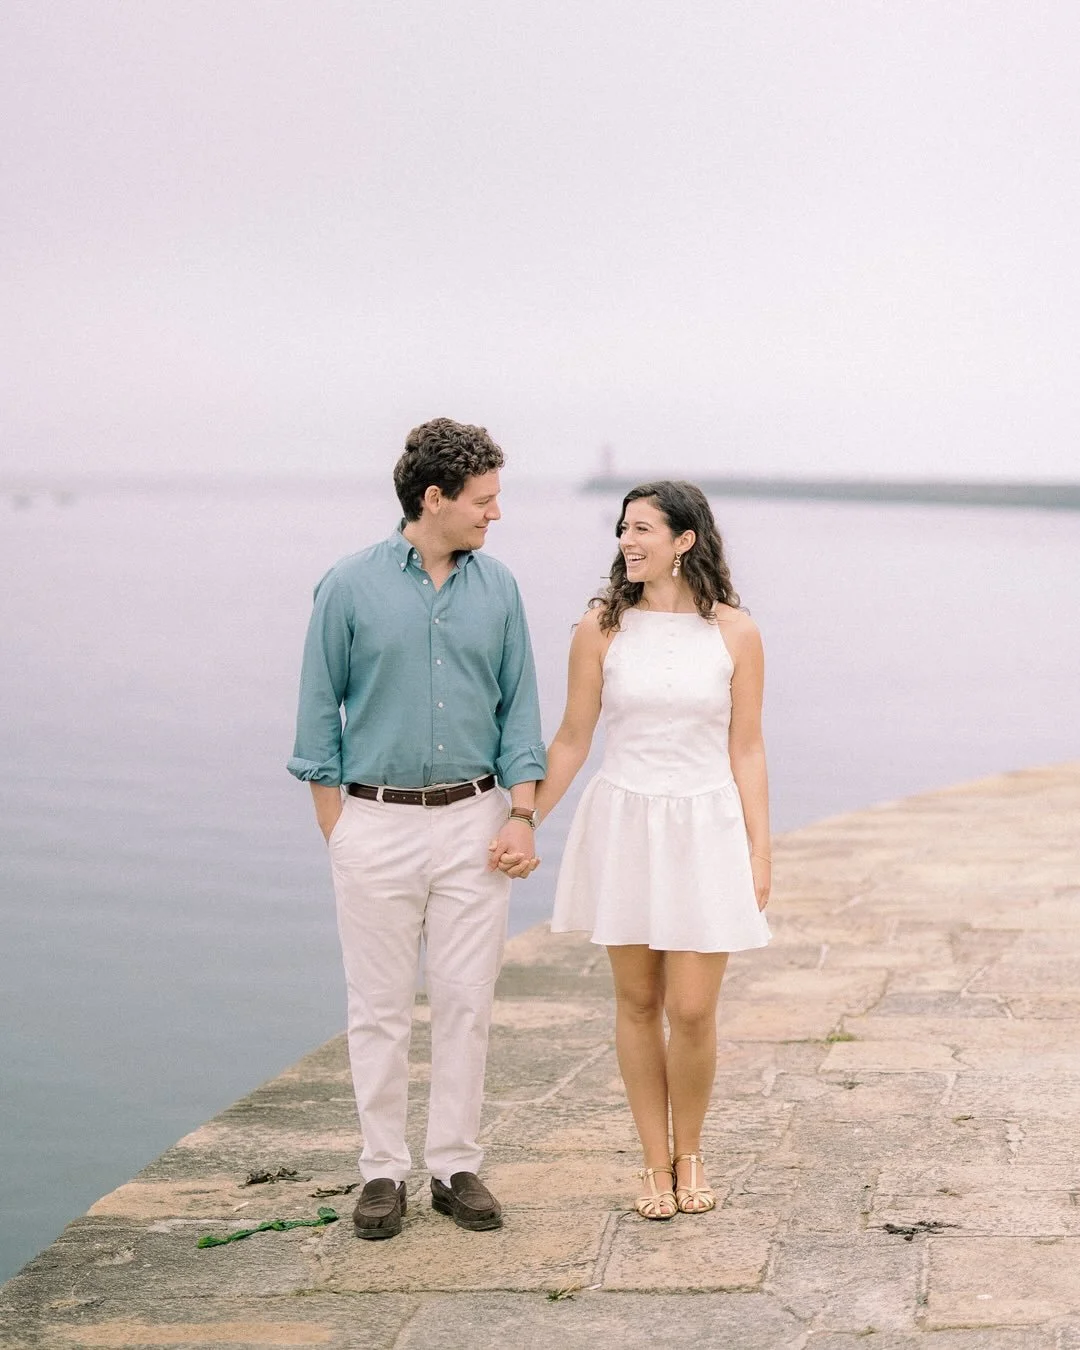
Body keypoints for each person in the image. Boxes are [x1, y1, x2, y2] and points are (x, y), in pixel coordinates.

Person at [288, 418, 545, 1240]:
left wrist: (521, 813)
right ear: (434, 498)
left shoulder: (499, 588)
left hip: (476, 822)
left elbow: (520, 712)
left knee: (467, 1001)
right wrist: (339, 828)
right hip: (374, 821)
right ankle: (381, 1172)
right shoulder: (347, 585)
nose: (495, 513)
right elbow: (317, 716)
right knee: (378, 1007)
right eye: (483, 499)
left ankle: (455, 1166)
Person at [533, 480, 771, 1220]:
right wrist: (524, 817)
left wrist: (761, 852)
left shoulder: (736, 632)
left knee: (693, 1010)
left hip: (706, 828)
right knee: (638, 1001)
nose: (627, 542)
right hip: (626, 824)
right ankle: (653, 1161)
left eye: (642, 529)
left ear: (683, 540)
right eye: (623, 529)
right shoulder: (600, 627)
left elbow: (748, 747)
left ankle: (691, 1150)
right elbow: (572, 738)